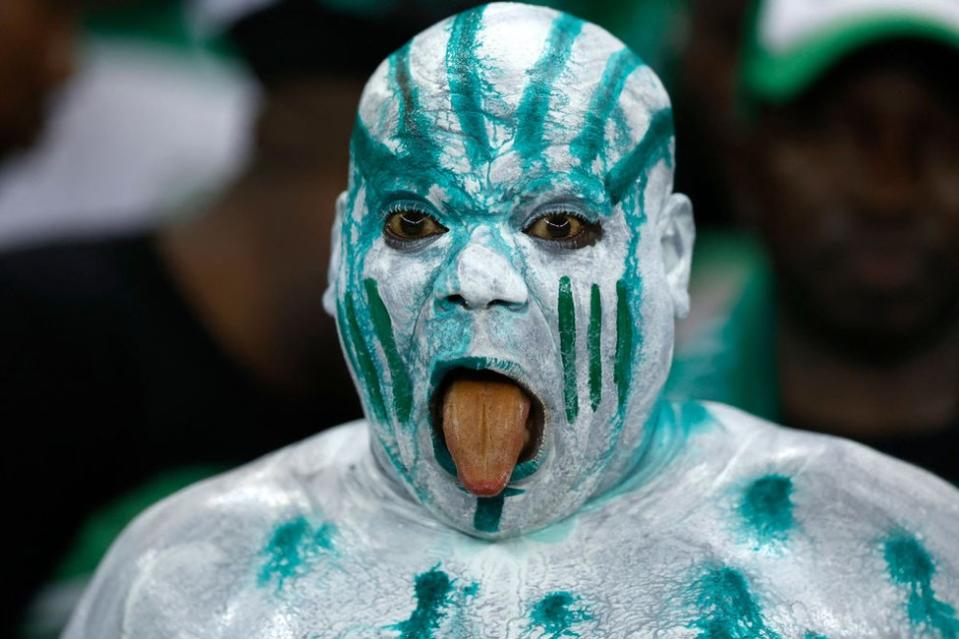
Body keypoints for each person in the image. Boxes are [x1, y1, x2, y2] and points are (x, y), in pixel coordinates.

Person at [63, 4, 958, 636]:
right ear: (342, 253)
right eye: (415, 222)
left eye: (559, 225)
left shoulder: (892, 565)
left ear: (671, 255)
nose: (478, 280)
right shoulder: (182, 584)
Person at [669, 0, 959, 485]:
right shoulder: (634, 465)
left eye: (944, 135)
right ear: (746, 165)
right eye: (837, 131)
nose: (889, 193)